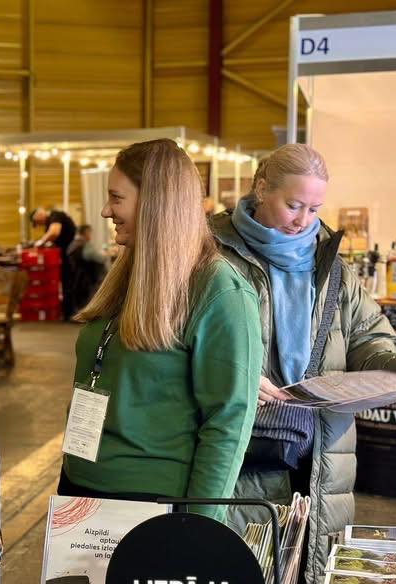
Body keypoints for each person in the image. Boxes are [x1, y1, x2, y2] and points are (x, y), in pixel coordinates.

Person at [210, 143, 396, 584]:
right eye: (293, 204)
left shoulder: (332, 264)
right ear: (261, 189)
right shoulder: (212, 253)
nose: (303, 219)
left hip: (321, 452)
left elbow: (368, 337)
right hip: (241, 445)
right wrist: (230, 373)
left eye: (315, 208)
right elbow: (178, 335)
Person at [58, 139, 262, 520]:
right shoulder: (130, 274)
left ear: (155, 202)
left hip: (152, 504)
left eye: (116, 198)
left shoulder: (219, 290)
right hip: (81, 492)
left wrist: (199, 527)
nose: (106, 211)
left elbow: (228, 421)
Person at [31, 206, 77, 318]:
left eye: (37, 221)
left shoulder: (55, 215)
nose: (39, 224)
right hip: (65, 256)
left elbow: (54, 233)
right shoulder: (49, 223)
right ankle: (67, 313)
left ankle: (70, 315)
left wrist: (40, 243)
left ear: (39, 213)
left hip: (72, 254)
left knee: (69, 285)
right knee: (66, 284)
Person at [66, 223, 109, 312]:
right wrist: (104, 254)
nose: (90, 235)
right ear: (86, 233)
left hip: (77, 277)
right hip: (89, 277)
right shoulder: (85, 244)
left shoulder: (73, 244)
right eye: (90, 233)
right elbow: (98, 258)